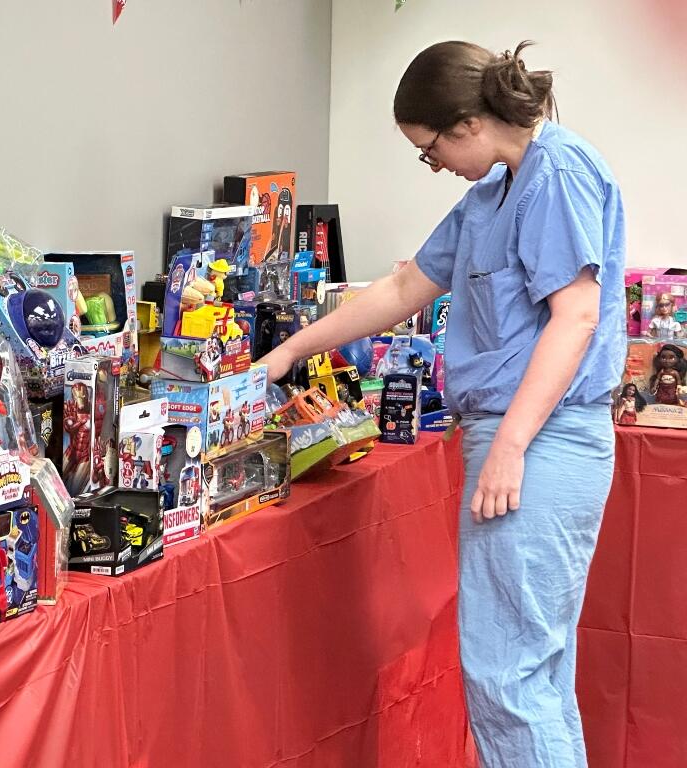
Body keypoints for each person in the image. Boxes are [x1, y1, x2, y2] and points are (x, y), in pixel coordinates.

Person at [259, 40, 624, 768]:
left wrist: (512, 446)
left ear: (467, 124)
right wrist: (291, 350)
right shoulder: (493, 194)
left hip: (542, 441)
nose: (433, 166)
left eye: (430, 151)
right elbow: (404, 289)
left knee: (509, 676)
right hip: (521, 437)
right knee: (533, 674)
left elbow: (576, 316)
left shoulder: (557, 174)